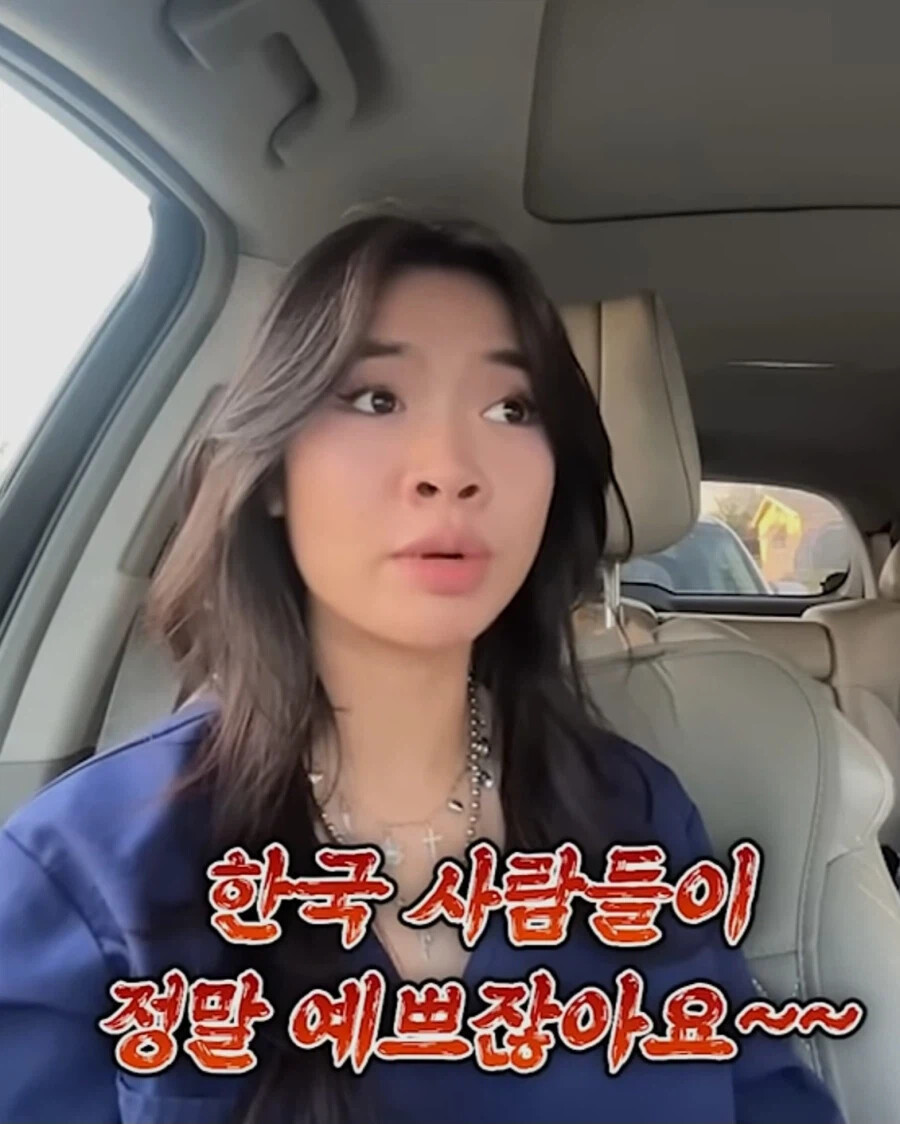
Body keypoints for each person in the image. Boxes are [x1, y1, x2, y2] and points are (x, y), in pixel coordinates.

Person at [0, 210, 844, 1124]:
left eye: (511, 409)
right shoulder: (88, 870)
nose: (450, 468)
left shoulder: (639, 817)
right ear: (272, 470)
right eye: (375, 399)